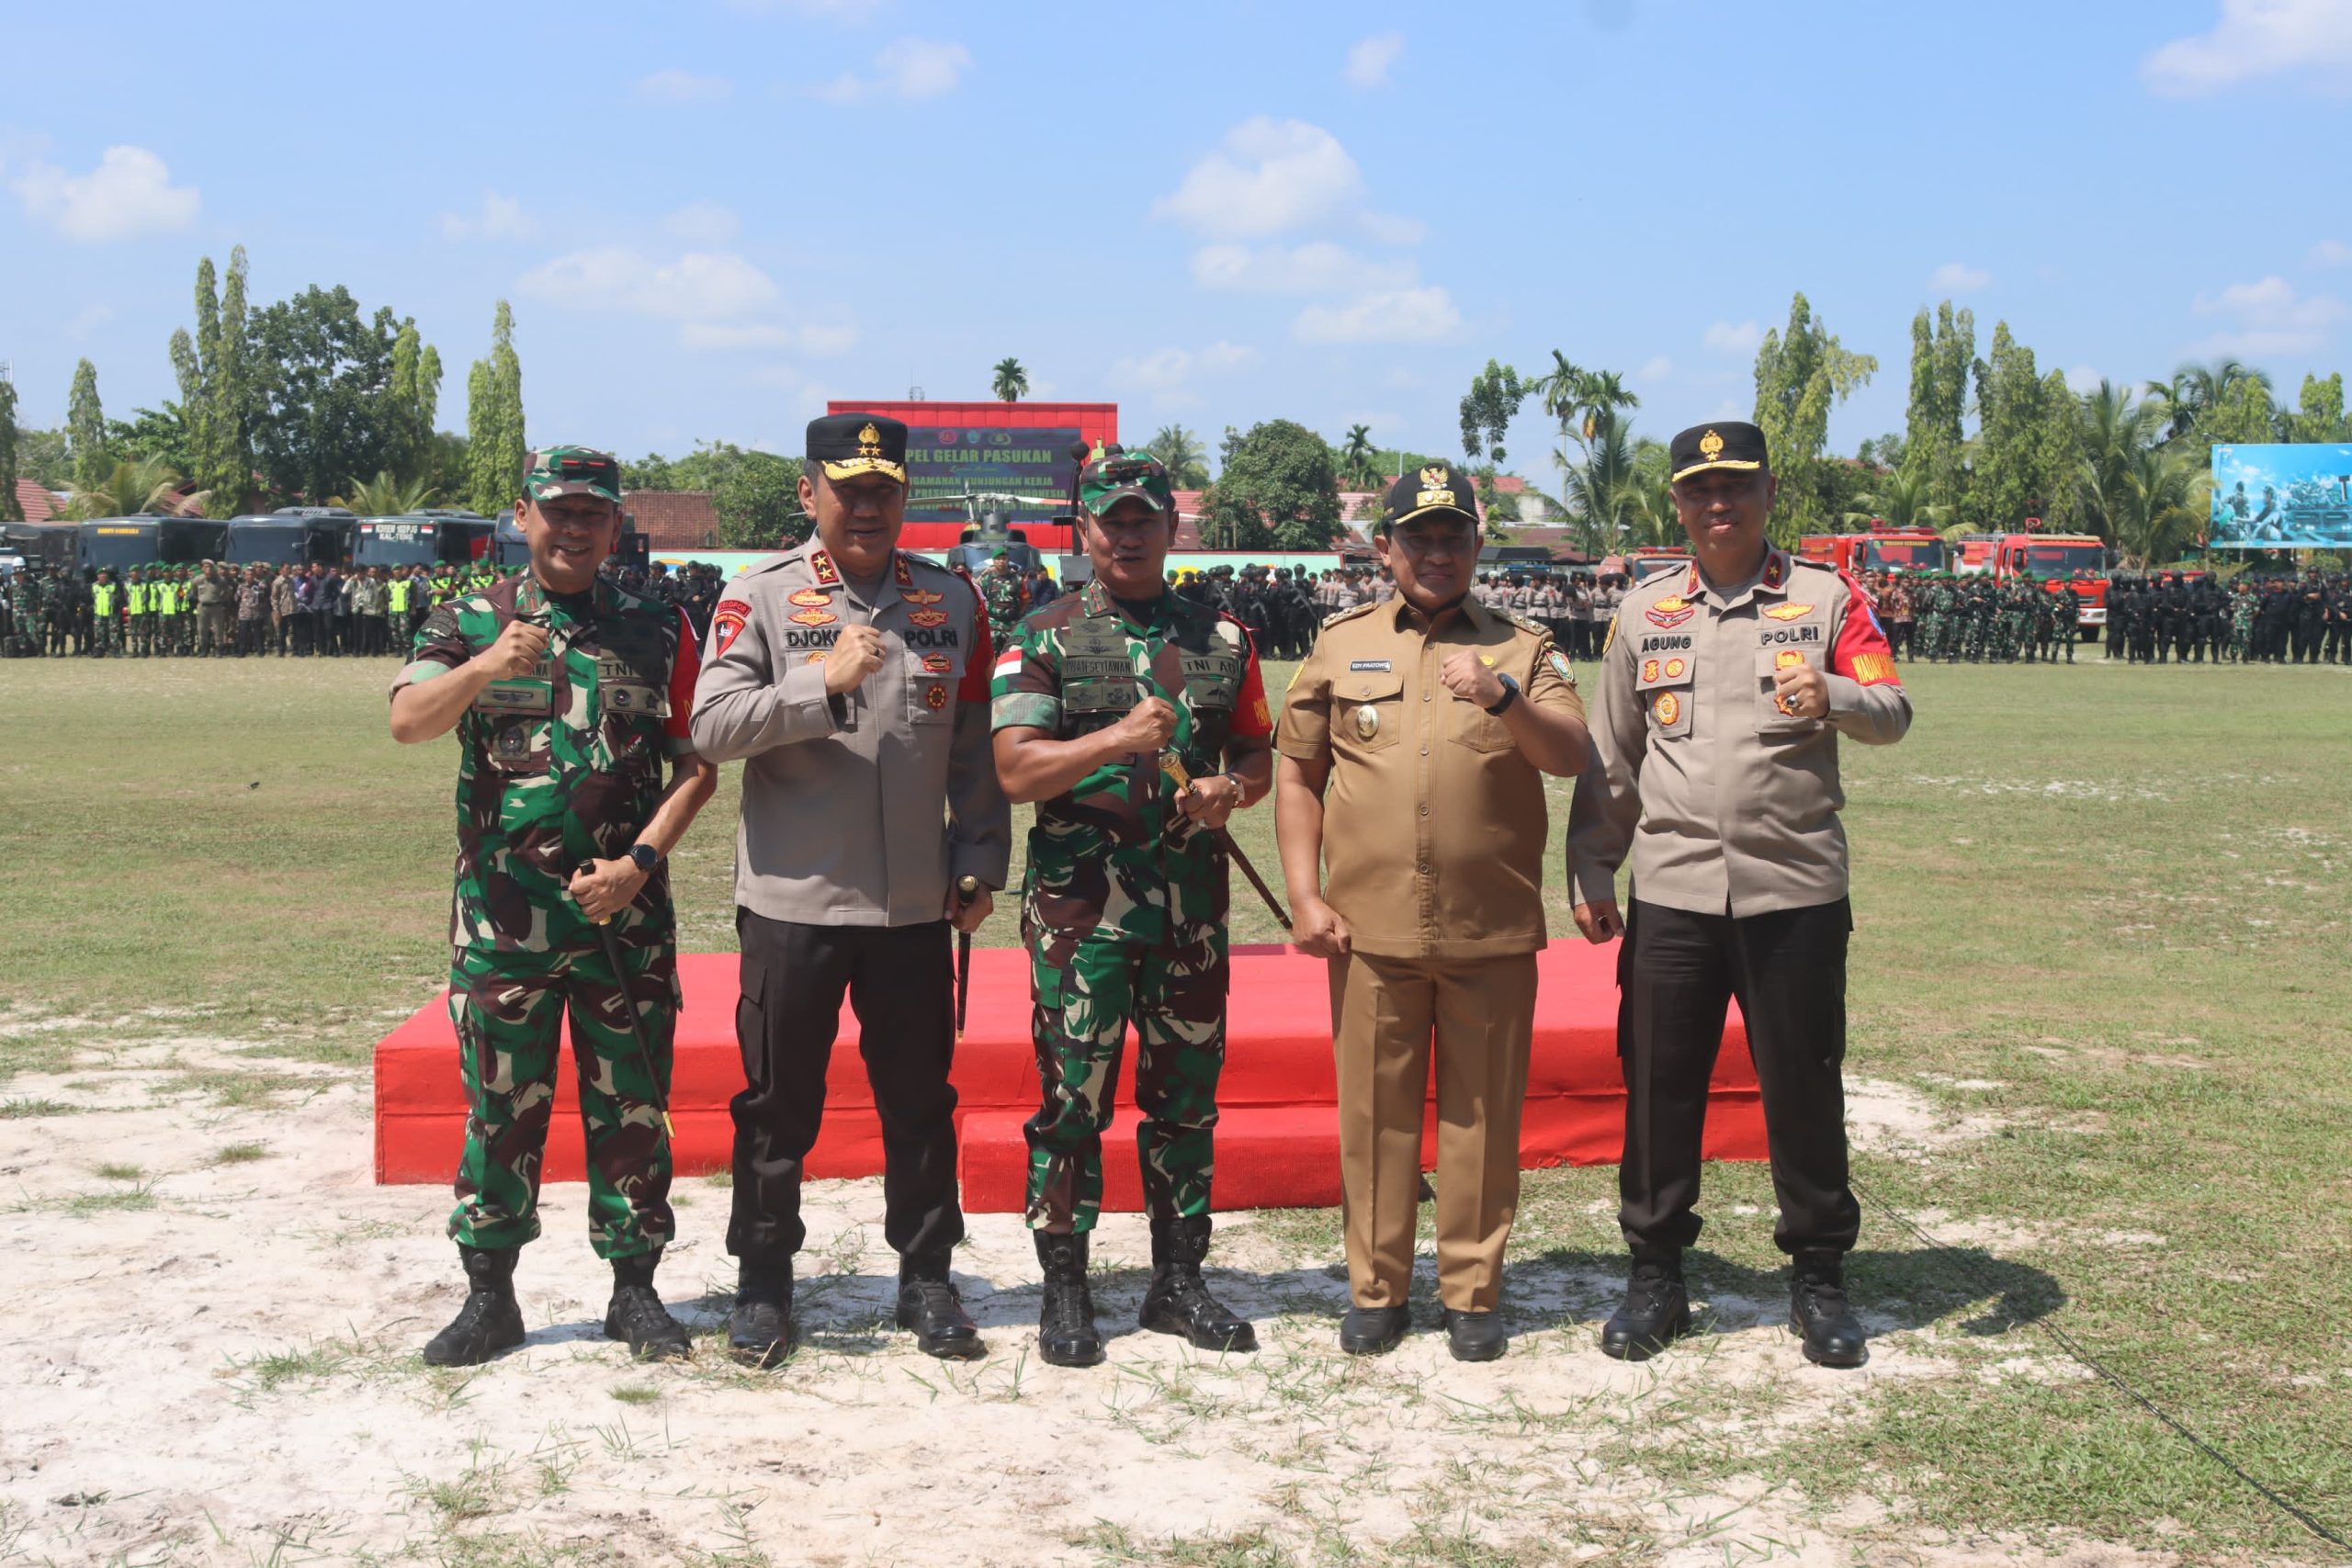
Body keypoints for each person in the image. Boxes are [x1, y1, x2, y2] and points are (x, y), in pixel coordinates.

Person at [1566, 422, 1911, 1370]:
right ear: (1677, 504)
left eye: (1736, 488)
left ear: (1768, 493)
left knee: (1801, 1084)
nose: (1717, 506)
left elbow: (1894, 709)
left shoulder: (1829, 600)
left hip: (1793, 890)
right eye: (1698, 491)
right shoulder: (1644, 614)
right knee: (1659, 1086)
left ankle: (1818, 1275)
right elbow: (1611, 758)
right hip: (1673, 893)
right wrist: (1593, 870)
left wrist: (1834, 695)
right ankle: (1655, 1274)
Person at [388, 446, 718, 1368]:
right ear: (522, 514)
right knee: (500, 1108)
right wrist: (490, 662)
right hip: (504, 923)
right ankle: (490, 1297)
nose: (575, 528)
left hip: (624, 920)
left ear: (616, 526)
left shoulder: (659, 627)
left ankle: (635, 1292)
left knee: (633, 1109)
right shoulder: (469, 619)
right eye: (558, 510)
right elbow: (409, 719)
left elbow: (696, 766)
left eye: (593, 514)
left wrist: (640, 864)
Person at [691, 415, 1009, 1366]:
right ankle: (762, 1286)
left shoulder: (949, 601)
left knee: (919, 1100)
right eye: (847, 489)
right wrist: (817, 687)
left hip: (915, 904)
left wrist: (982, 859)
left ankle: (926, 1277)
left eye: (884, 490)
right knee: (777, 1107)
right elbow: (710, 728)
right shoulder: (760, 598)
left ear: (905, 498)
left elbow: (972, 750)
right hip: (796, 901)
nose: (866, 506)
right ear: (808, 494)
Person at [1273, 464, 1590, 1360]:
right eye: (1420, 537)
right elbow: (1296, 770)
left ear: (1477, 545)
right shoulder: (1340, 643)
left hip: (1487, 925)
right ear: (1385, 548)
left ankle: (1472, 1291)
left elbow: (1569, 753)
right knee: (1374, 1119)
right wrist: (1304, 894)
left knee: (1481, 1117)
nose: (1438, 552)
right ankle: (1376, 1287)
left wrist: (1505, 696)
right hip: (1365, 930)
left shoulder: (1521, 647)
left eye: (1454, 536)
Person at [991, 447, 1273, 1368]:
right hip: (1083, 917)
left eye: (1142, 517)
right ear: (1084, 529)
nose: (1126, 533)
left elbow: (1259, 755)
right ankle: (1065, 1285)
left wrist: (1229, 789)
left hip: (1188, 913)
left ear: (1170, 528)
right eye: (1109, 518)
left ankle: (1177, 1282)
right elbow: (1013, 767)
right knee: (1072, 1101)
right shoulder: (1046, 633)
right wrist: (1114, 737)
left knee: (1185, 1105)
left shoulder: (1223, 639)